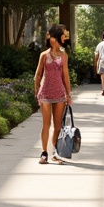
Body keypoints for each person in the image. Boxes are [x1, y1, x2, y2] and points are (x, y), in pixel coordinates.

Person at [33, 24, 72, 164]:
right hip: (45, 94)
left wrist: (68, 95)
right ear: (55, 37)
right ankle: (44, 153)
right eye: (62, 35)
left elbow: (65, 76)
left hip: (60, 94)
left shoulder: (63, 56)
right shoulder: (44, 55)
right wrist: (36, 92)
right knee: (46, 125)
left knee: (57, 126)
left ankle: (54, 152)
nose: (64, 38)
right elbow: (37, 75)